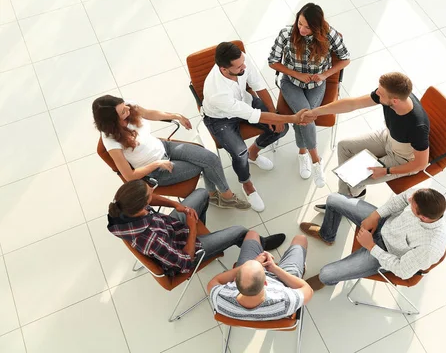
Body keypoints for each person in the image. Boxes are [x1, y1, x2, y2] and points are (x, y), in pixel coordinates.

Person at [93, 95, 250, 210]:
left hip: (164, 147)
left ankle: (218, 196)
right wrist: (157, 163)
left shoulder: (129, 108)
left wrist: (175, 116)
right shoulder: (111, 141)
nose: (127, 108)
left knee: (211, 159)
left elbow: (150, 113)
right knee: (205, 164)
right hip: (156, 170)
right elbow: (129, 176)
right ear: (111, 121)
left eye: (124, 106)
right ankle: (224, 196)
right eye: (122, 111)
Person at [203, 42, 306, 212]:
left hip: (244, 101)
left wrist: (276, 115)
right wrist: (293, 118)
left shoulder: (241, 60)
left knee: (282, 128)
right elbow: (255, 116)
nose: (244, 65)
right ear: (223, 69)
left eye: (243, 61)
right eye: (238, 66)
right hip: (221, 119)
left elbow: (258, 85)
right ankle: (247, 184)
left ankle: (254, 153)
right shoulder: (217, 93)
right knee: (239, 153)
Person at [301, 72, 429, 208]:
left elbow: (420, 164)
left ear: (395, 101)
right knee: (344, 146)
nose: (376, 93)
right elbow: (353, 104)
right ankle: (352, 195)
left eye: (380, 93)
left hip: (402, 158)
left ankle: (341, 202)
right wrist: (314, 112)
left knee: (352, 175)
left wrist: (387, 171)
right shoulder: (392, 96)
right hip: (388, 137)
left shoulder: (417, 127)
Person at [107, 179, 286, 276]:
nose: (153, 193)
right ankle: (259, 246)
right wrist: (193, 228)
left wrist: (175, 205)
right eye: (149, 194)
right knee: (240, 231)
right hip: (186, 252)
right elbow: (185, 262)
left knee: (201, 194)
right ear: (141, 205)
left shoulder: (123, 207)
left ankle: (207, 236)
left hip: (170, 228)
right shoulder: (151, 240)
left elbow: (150, 198)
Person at [299, 188, 446, 291]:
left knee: (326, 274)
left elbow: (402, 270)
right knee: (333, 199)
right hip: (385, 223)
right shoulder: (426, 197)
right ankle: (327, 235)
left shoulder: (430, 247)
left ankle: (326, 280)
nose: (409, 199)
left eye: (412, 204)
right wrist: (375, 216)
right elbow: (401, 198)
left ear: (423, 217)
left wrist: (371, 246)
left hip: (385, 252)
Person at [268, 2, 350, 188]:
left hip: (316, 84)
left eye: (307, 26)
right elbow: (272, 61)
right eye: (300, 23)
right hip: (291, 83)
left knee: (303, 117)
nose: (302, 29)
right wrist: (297, 74)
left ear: (318, 26)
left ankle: (303, 153)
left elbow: (346, 58)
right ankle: (315, 161)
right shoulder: (286, 34)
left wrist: (324, 75)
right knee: (307, 114)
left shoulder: (329, 35)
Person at [208, 232, 312, 321]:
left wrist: (251, 263)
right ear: (265, 283)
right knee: (300, 239)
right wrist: (275, 269)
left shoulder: (219, 297)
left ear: (235, 281)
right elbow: (308, 290)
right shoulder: (285, 301)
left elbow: (214, 281)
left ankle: (262, 245)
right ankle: (300, 266)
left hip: (250, 283)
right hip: (281, 282)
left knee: (252, 234)